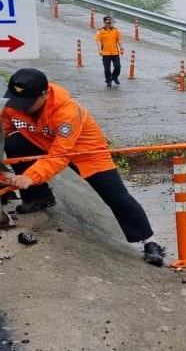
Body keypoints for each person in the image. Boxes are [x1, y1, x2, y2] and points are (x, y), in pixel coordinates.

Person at [2, 68, 166, 266]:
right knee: (14, 143)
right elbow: (4, 132)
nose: (20, 107)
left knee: (116, 196)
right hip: (43, 143)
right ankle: (39, 197)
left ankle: (149, 241)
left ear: (44, 94)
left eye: (27, 102)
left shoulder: (67, 112)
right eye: (17, 101)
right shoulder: (13, 106)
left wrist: (30, 176)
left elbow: (60, 156)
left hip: (85, 152)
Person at [94, 15, 124, 87]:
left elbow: (119, 40)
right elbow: (98, 41)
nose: (108, 24)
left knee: (117, 66)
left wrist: (121, 48)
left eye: (110, 23)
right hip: (105, 53)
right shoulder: (101, 31)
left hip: (115, 52)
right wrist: (100, 50)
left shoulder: (115, 30)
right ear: (104, 22)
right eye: (107, 22)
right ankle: (108, 80)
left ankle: (114, 77)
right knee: (107, 69)